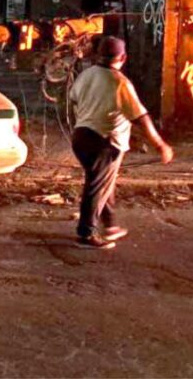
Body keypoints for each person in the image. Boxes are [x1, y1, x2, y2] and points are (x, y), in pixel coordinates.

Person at [68, 36, 174, 250]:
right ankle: (86, 234)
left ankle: (110, 225)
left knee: (103, 182)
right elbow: (141, 117)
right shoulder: (119, 82)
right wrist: (160, 144)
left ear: (98, 54)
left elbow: (74, 100)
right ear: (123, 57)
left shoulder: (86, 75)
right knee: (97, 186)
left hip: (80, 136)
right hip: (104, 141)